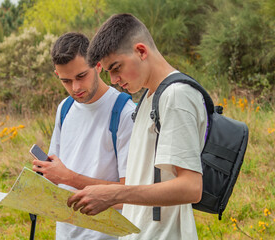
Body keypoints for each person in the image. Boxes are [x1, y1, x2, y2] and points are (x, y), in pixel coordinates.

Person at [67, 14, 207, 240]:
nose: (113, 80)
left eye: (116, 67)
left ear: (141, 51)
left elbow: (191, 187)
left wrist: (115, 194)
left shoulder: (176, 96)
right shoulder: (149, 98)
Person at [32, 32, 135, 240]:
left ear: (97, 65)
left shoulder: (125, 113)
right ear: (56, 75)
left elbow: (132, 194)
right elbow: (56, 177)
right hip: (66, 233)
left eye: (81, 76)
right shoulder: (65, 107)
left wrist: (68, 177)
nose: (75, 88)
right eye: (66, 81)